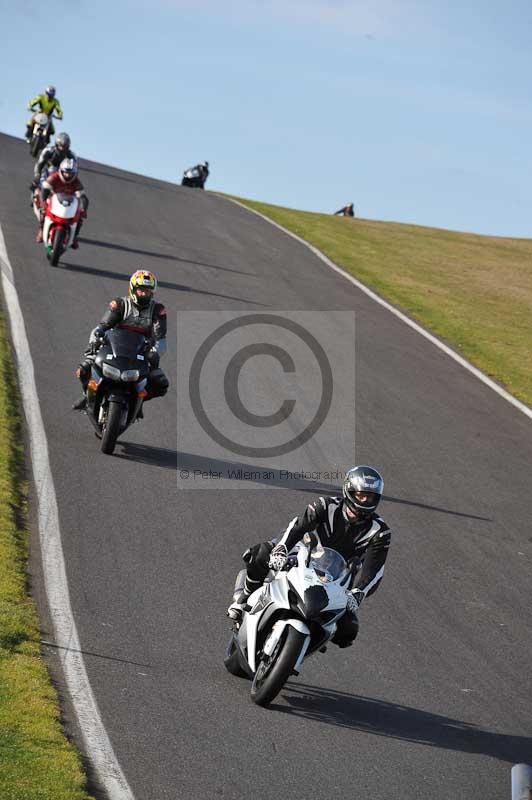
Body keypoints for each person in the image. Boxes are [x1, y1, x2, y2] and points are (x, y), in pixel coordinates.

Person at [227, 465, 390, 648]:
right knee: (261, 553)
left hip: (337, 580)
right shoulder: (325, 505)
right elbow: (297, 527)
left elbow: (375, 569)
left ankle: (308, 643)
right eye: (361, 495)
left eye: (371, 497)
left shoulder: (380, 532)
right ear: (349, 490)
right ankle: (243, 600)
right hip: (303, 557)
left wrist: (359, 592)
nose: (365, 500)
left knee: (348, 630)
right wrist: (281, 549)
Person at [73, 270, 169, 411]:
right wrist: (94, 341)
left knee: (161, 384)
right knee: (83, 370)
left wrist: (155, 353)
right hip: (112, 348)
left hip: (141, 354)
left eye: (147, 291)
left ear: (152, 293)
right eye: (141, 290)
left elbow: (161, 339)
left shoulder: (158, 311)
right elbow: (101, 328)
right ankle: (86, 395)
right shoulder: (119, 304)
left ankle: (138, 401)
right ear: (133, 289)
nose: (143, 294)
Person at [37, 158, 88, 246]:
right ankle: (41, 230)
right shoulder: (54, 177)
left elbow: (83, 197)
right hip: (54, 199)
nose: (67, 175)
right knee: (43, 211)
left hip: (69, 202)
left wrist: (84, 209)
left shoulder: (76, 181)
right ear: (61, 170)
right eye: (66, 172)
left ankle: (74, 237)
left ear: (74, 173)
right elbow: (44, 189)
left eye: (70, 173)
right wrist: (43, 201)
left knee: (79, 218)